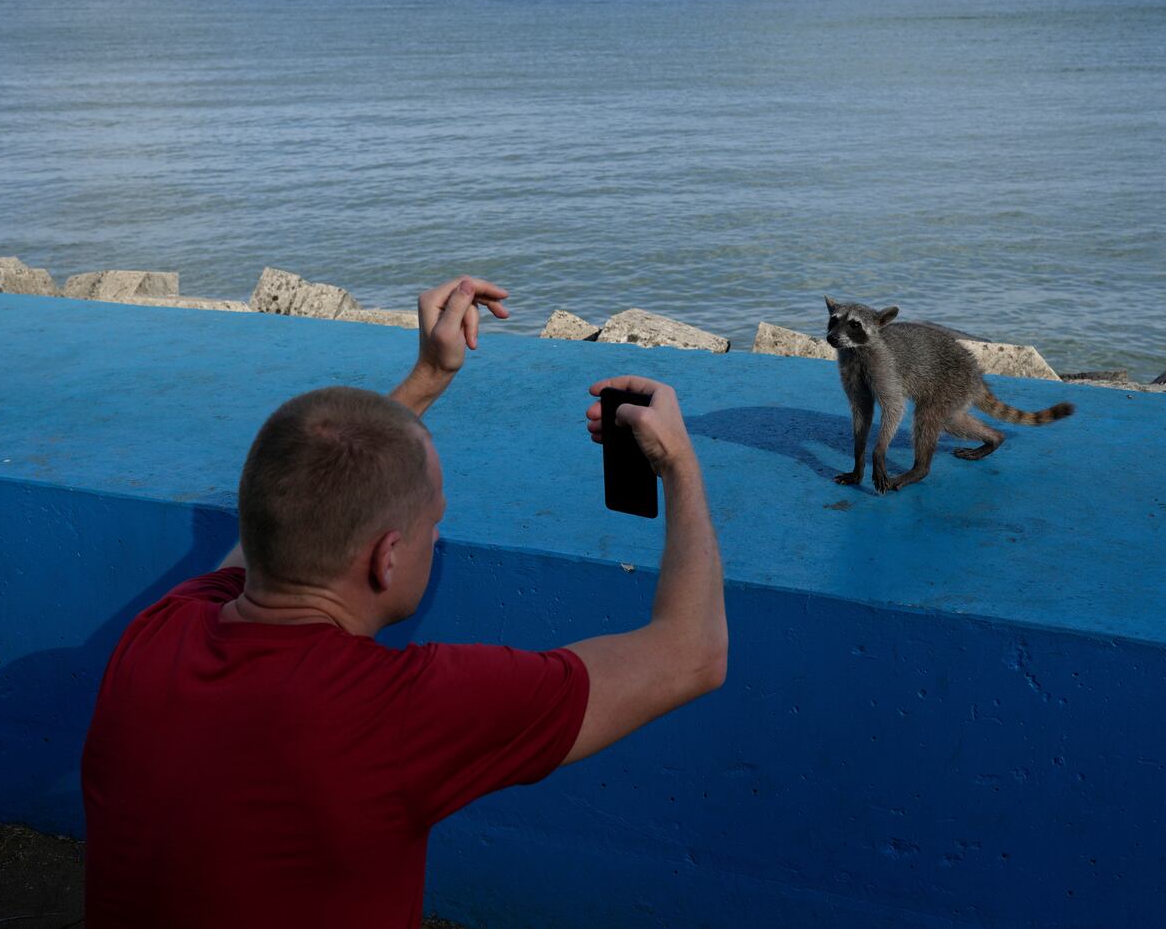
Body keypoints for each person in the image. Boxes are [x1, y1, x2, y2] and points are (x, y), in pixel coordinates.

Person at [81, 276, 727, 928]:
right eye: (433, 522)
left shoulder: (155, 636)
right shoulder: (398, 711)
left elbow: (282, 520)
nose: (437, 534)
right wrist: (678, 461)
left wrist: (426, 377)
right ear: (386, 559)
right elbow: (694, 652)